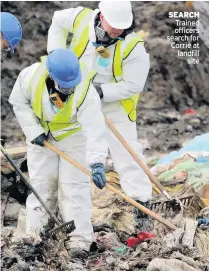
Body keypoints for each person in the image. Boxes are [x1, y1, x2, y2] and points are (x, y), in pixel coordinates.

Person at [47, 1, 152, 229]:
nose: (118, 31)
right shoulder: (79, 18)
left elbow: (134, 84)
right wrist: (56, 53)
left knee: (127, 154)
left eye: (122, 28)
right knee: (76, 149)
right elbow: (57, 21)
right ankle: (70, 212)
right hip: (78, 94)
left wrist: (101, 92)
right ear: (101, 16)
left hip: (113, 103)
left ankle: (141, 205)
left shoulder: (134, 47)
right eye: (114, 26)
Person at [9, 48, 108, 258]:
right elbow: (18, 102)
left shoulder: (85, 91)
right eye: (63, 85)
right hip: (41, 138)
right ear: (51, 75)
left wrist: (97, 162)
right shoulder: (30, 76)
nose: (68, 90)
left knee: (74, 188)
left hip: (73, 139)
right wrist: (33, 130)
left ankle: (79, 242)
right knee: (42, 186)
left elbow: (95, 128)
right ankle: (35, 237)